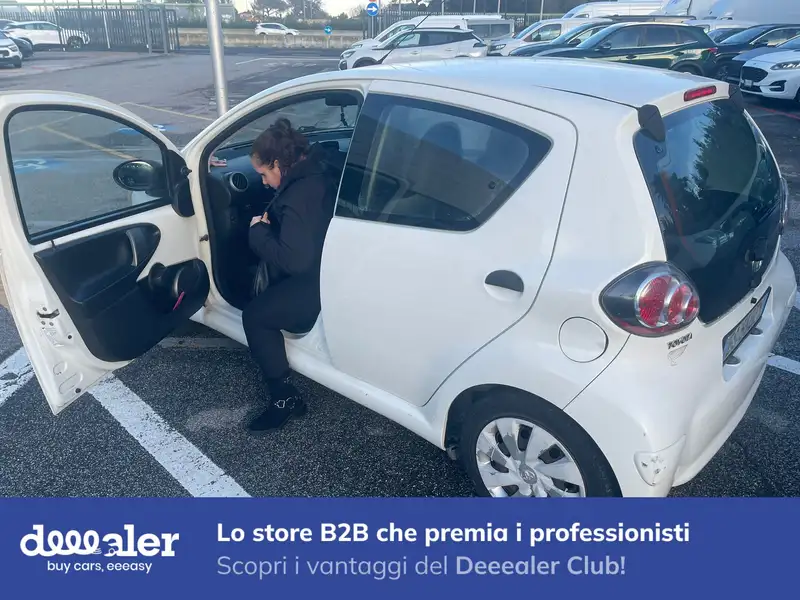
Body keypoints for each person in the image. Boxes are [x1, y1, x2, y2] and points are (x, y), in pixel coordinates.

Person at [242, 118, 337, 434]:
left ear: (278, 163)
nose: (264, 182)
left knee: (255, 316)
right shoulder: (318, 169)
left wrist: (258, 234)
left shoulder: (299, 195)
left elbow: (295, 261)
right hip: (333, 264)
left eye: (264, 174)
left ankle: (284, 398)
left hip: (318, 282)